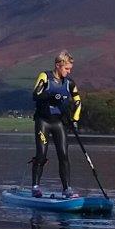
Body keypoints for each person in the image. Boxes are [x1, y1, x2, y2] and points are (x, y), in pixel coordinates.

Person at [31, 50, 82, 198]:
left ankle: (67, 189)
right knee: (41, 155)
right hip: (43, 121)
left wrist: (75, 120)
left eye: (70, 68)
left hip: (59, 123)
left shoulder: (70, 83)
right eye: (67, 68)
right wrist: (51, 95)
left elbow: (78, 102)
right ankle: (35, 187)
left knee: (64, 155)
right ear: (58, 65)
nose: (69, 71)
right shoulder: (45, 76)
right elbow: (36, 94)